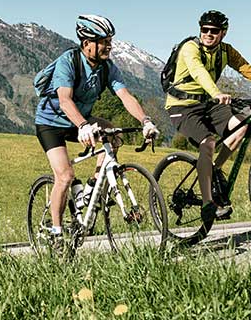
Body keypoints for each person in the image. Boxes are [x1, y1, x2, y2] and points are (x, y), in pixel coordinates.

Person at [34, 14, 160, 242]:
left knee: (114, 134)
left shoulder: (107, 68)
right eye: (103, 42)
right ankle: (56, 232)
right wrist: (82, 125)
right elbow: (65, 99)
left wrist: (146, 121)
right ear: (87, 44)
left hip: (81, 120)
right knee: (65, 176)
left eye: (109, 41)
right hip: (50, 124)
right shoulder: (68, 62)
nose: (108, 46)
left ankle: (92, 187)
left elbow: (126, 97)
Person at [164, 10, 251, 222]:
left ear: (223, 33)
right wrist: (216, 93)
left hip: (207, 103)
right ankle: (209, 203)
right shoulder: (190, 48)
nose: (208, 34)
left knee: (242, 124)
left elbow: (248, 69)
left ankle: (213, 171)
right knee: (207, 143)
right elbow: (199, 72)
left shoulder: (226, 51)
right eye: (204, 29)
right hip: (182, 106)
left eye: (214, 31)